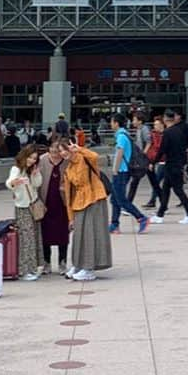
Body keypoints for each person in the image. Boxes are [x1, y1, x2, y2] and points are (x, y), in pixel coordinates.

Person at [61, 141, 113, 281]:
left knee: (91, 233)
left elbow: (95, 157)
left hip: (95, 198)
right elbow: (68, 194)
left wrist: (80, 149)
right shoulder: (68, 169)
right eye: (60, 151)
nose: (63, 153)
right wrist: (70, 217)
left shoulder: (84, 158)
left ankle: (89, 268)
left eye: (64, 149)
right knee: (79, 235)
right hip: (79, 201)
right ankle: (78, 264)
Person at [151, 110, 188, 224]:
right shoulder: (179, 131)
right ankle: (160, 215)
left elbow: (162, 149)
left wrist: (154, 161)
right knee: (166, 189)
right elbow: (184, 147)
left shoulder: (168, 132)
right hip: (177, 164)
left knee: (178, 190)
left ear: (166, 119)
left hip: (172, 165)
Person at [6, 145, 44, 280]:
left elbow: (37, 184)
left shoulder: (32, 169)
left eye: (34, 158)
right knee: (26, 238)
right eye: (30, 157)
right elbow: (9, 183)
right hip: (22, 207)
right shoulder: (17, 169)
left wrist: (35, 174)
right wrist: (15, 182)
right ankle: (25, 270)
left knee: (33, 237)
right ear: (24, 155)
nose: (32, 160)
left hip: (32, 206)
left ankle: (33, 267)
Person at [109, 115, 150, 234]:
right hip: (123, 171)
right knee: (114, 199)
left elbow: (120, 153)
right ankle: (114, 224)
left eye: (112, 122)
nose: (111, 124)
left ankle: (141, 218)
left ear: (116, 123)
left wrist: (115, 169)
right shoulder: (124, 135)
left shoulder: (121, 136)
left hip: (121, 171)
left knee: (121, 199)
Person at [39, 141, 71, 275]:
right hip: (46, 203)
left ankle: (62, 262)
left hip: (62, 203)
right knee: (45, 234)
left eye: (57, 152)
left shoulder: (66, 161)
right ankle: (46, 262)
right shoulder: (42, 160)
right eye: (52, 152)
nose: (55, 155)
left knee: (63, 234)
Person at [132, 116, 165, 208]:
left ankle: (159, 202)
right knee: (155, 182)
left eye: (157, 125)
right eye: (154, 125)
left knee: (157, 182)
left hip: (163, 161)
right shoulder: (153, 134)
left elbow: (152, 146)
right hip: (153, 160)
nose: (155, 127)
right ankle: (157, 201)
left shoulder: (148, 131)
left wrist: (144, 156)